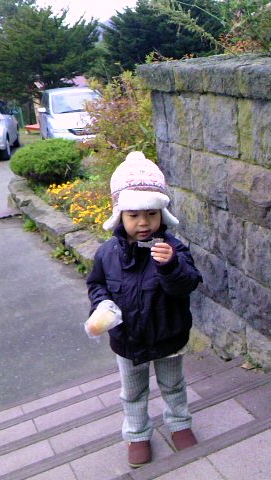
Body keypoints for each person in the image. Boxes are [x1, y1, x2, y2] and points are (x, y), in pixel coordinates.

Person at [86, 151, 203, 468]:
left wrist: (171, 266)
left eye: (151, 214)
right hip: (128, 339)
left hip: (168, 335)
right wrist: (102, 304)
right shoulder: (108, 253)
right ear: (119, 215)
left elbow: (188, 284)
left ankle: (179, 423)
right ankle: (137, 434)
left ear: (162, 214)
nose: (143, 223)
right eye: (133, 215)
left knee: (173, 385)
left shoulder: (173, 249)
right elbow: (96, 284)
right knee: (133, 392)